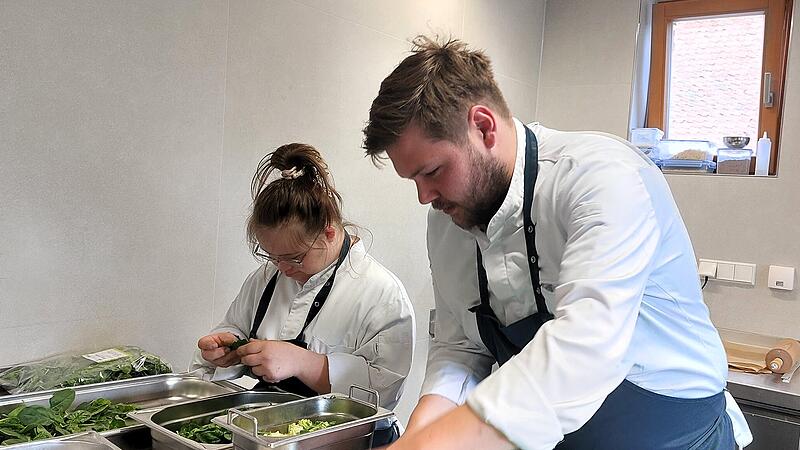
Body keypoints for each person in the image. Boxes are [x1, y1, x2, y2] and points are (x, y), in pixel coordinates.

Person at [362, 36, 751, 449]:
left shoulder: (601, 178)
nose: (424, 196)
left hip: (677, 438)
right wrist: (423, 430)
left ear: (483, 127)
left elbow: (584, 349)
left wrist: (428, 446)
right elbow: (460, 346)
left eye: (433, 171)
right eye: (414, 181)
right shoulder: (446, 222)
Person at [190, 143, 415, 445]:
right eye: (271, 256)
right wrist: (226, 347)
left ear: (329, 232)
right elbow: (237, 325)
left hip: (349, 441)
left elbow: (382, 395)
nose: (282, 268)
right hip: (269, 432)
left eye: (294, 257)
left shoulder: (381, 294)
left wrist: (303, 363)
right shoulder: (268, 277)